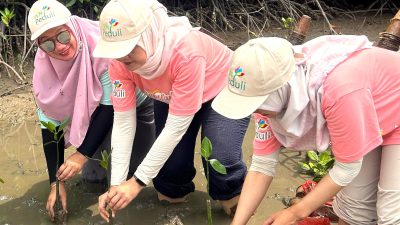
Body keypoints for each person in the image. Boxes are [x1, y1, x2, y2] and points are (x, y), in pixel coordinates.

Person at [211, 36, 400, 225]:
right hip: (369, 118)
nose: (255, 111)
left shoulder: (338, 89)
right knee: (354, 211)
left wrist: (295, 213)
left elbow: (347, 168)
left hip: (390, 107)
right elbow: (262, 166)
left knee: (392, 215)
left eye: (256, 104)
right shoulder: (263, 102)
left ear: (280, 88)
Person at [92, 0, 250, 222]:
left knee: (221, 159)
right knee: (169, 179)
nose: (122, 57)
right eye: (116, 50)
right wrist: (116, 185)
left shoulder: (186, 52)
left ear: (149, 34)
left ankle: (233, 201)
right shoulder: (118, 63)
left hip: (222, 90)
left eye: (128, 48)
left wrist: (136, 182)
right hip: (170, 94)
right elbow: (124, 122)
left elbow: (176, 128)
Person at [27, 0, 155, 220]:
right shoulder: (43, 70)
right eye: (47, 44)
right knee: (93, 182)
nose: (59, 47)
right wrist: (55, 183)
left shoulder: (101, 47)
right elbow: (50, 127)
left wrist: (80, 155)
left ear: (72, 26)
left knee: (130, 180)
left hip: (133, 106)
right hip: (95, 115)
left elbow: (110, 108)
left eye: (63, 36)